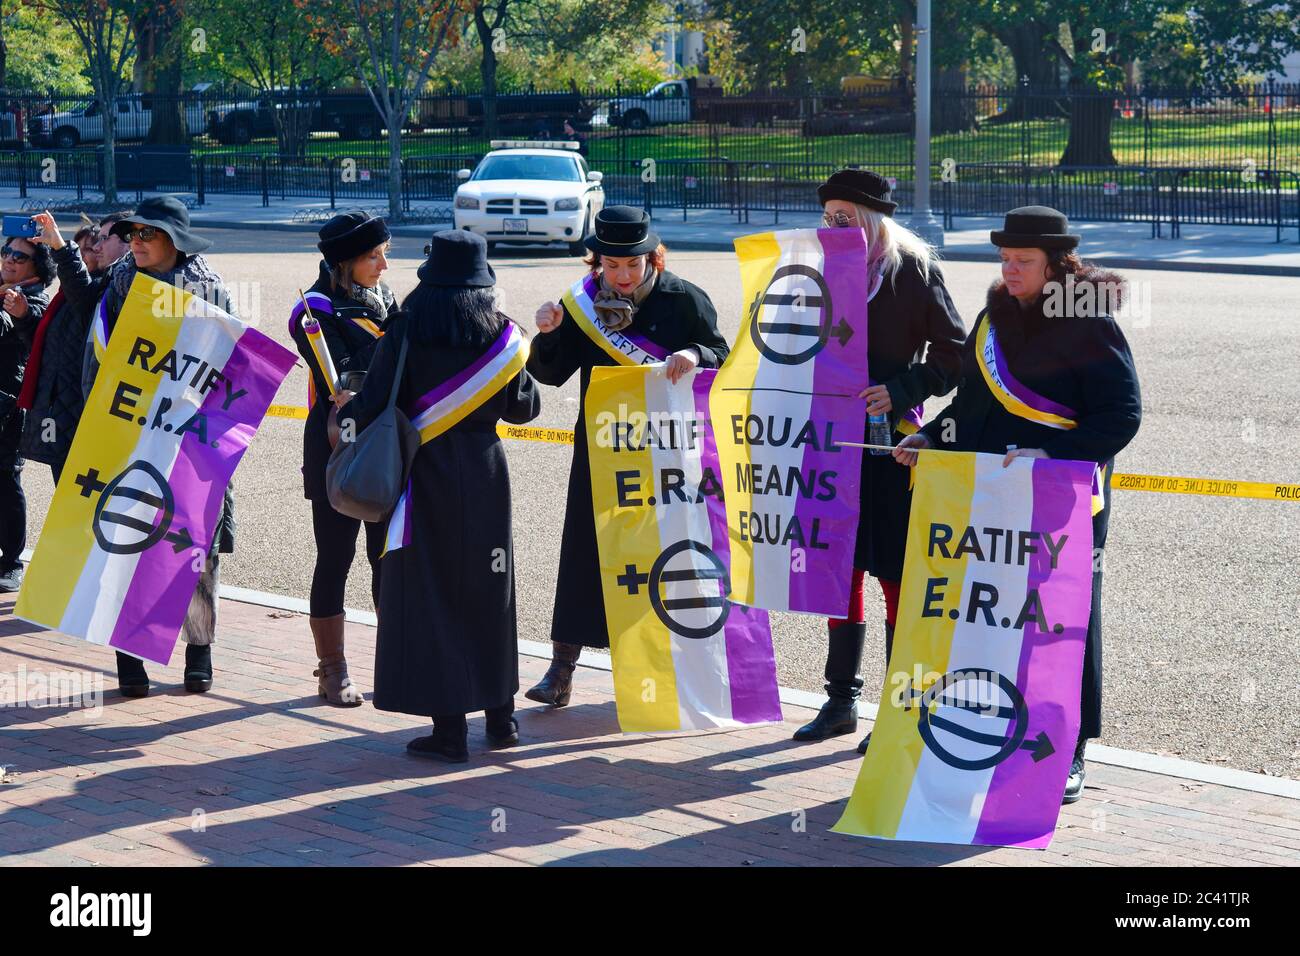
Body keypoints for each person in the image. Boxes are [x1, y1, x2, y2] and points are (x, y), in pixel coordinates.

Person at [894, 205, 1142, 803]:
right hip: (993, 499)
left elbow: (1121, 416)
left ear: (1057, 266)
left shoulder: (1087, 321)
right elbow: (973, 408)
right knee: (998, 616)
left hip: (1062, 497)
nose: (1010, 271)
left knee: (1062, 622)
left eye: (1023, 262)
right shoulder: (993, 318)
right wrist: (932, 436)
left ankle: (1073, 747)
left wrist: (1050, 452)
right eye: (1005, 260)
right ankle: (997, 729)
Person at [336, 231, 540, 762]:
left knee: (431, 596)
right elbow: (524, 410)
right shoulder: (503, 336)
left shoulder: (404, 329)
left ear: (428, 280)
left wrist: (345, 416)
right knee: (492, 594)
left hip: (423, 476)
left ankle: (449, 729)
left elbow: (375, 401)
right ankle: (502, 719)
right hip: (484, 475)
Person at [524, 205, 729, 705]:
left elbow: (722, 356)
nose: (620, 276)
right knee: (583, 554)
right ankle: (561, 670)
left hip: (666, 454)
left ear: (652, 259)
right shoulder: (582, 304)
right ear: (597, 264)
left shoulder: (685, 300)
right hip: (601, 448)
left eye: (631, 265)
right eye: (610, 266)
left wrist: (696, 356)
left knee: (656, 560)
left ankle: (650, 675)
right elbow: (551, 375)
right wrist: (549, 335)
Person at [793, 168, 967, 753]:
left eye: (845, 218)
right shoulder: (813, 270)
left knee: (893, 572)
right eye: (828, 217)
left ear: (871, 221)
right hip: (824, 442)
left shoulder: (914, 271)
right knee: (836, 569)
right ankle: (841, 700)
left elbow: (955, 354)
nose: (833, 227)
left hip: (887, 444)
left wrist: (902, 387)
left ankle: (898, 713)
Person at [84, 195, 240, 698]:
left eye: (146, 234)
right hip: (131, 434)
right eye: (131, 234)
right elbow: (96, 361)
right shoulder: (118, 286)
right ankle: (129, 658)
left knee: (195, 550)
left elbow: (233, 366)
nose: (135, 242)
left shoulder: (211, 288)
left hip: (191, 441)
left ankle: (200, 651)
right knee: (128, 546)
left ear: (175, 240)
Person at [288, 212, 398, 707]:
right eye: (373, 256)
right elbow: (344, 382)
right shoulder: (313, 310)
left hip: (388, 442)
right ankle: (331, 670)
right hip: (337, 444)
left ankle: (396, 663)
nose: (383, 266)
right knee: (336, 557)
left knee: (387, 558)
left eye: (384, 254)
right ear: (344, 262)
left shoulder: (384, 300)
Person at [21, 211, 130, 484]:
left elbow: (82, 293)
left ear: (130, 243)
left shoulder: (112, 287)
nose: (96, 247)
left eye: (104, 239)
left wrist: (59, 245)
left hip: (84, 413)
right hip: (63, 410)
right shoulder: (93, 287)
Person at [0, 233, 53, 591]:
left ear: (36, 268)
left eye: (20, 257)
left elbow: (30, 322)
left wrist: (17, 312)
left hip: (7, 405)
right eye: (6, 252)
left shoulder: (34, 300)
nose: (10, 259)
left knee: (5, 481)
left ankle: (11, 562)